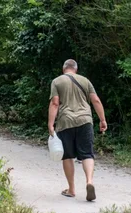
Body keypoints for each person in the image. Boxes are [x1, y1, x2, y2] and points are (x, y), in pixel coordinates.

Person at [48, 59, 107, 201]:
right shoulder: (85, 80)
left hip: (66, 121)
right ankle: (89, 182)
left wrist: (50, 124)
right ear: (76, 69)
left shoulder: (57, 81)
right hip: (85, 121)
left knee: (67, 156)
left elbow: (55, 103)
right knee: (87, 154)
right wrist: (102, 120)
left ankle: (71, 189)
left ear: (64, 69)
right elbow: (96, 100)